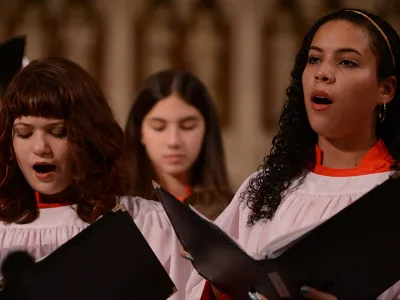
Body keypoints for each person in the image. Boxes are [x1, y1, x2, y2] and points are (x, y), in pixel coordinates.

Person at [182, 8, 400, 300]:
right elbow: (193, 289)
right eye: (314, 59)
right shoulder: (265, 188)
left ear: (385, 89)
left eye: (347, 62)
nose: (323, 72)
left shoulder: (391, 197)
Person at [0, 57, 191, 300]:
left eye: (57, 132)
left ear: (88, 137)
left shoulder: (147, 225)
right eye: (24, 133)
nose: (40, 147)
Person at [124, 69, 233, 221]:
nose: (173, 141)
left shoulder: (233, 212)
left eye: (188, 126)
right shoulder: (120, 208)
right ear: (139, 131)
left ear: (207, 129)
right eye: (159, 127)